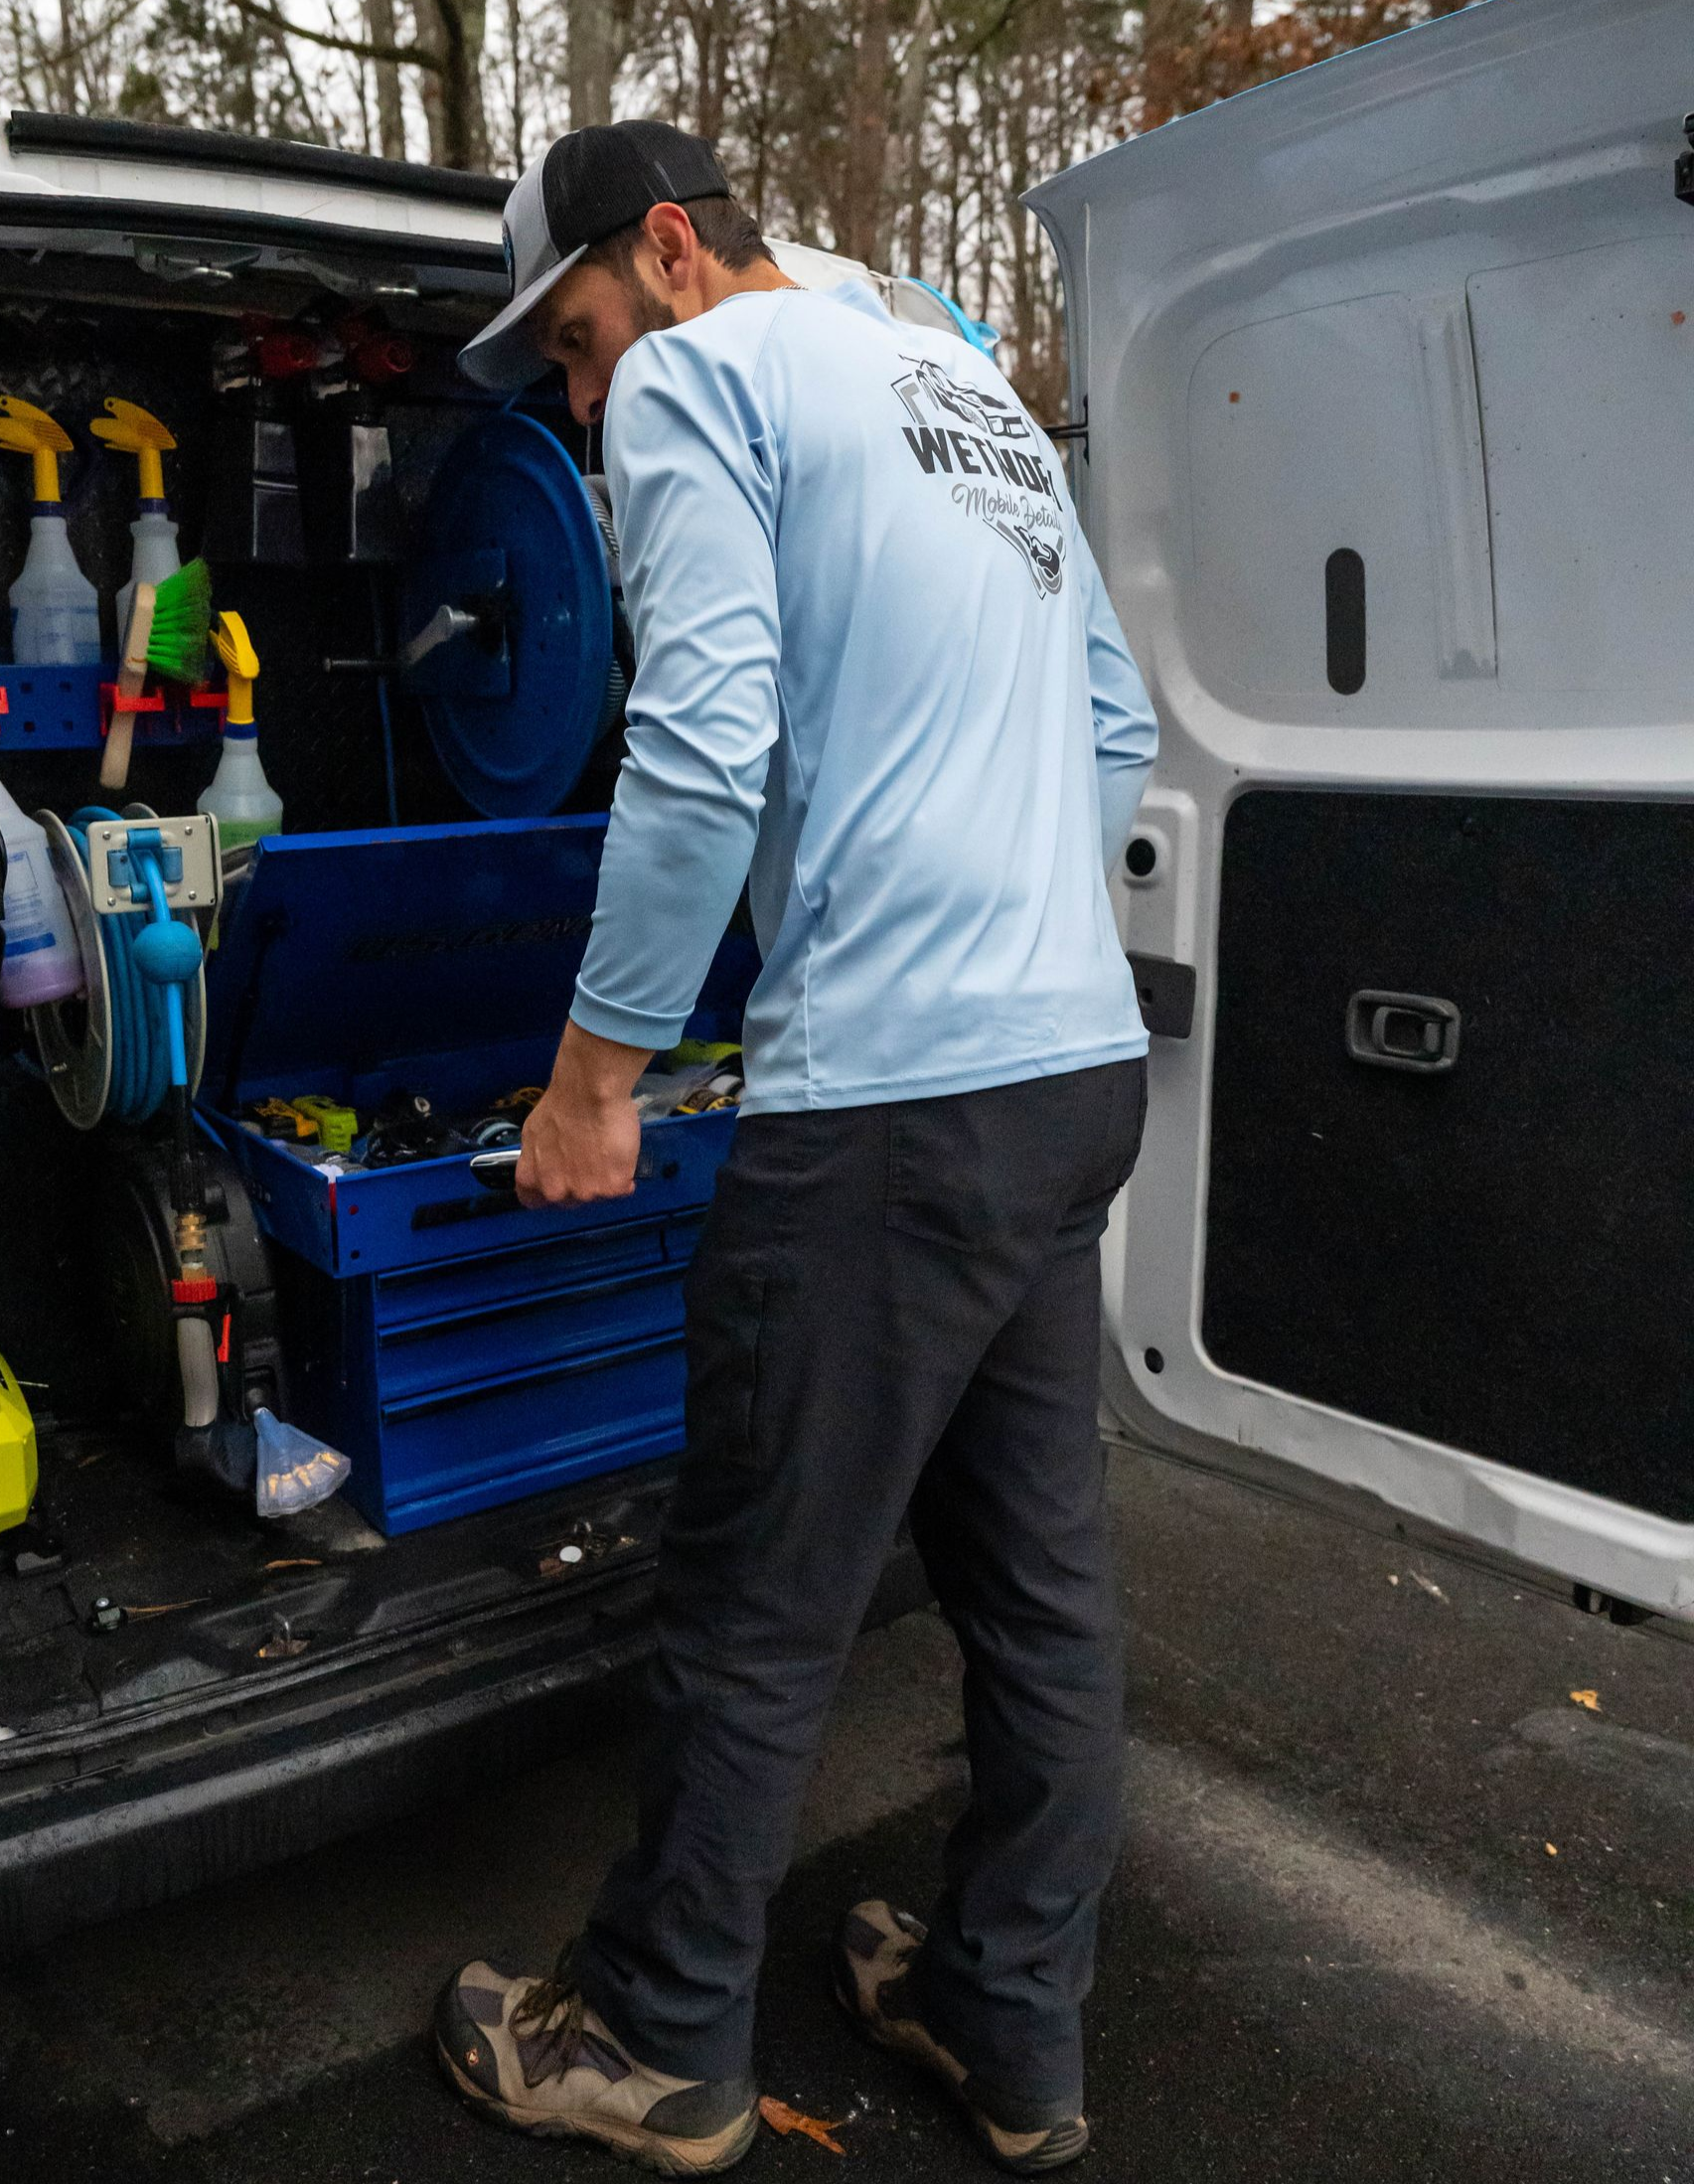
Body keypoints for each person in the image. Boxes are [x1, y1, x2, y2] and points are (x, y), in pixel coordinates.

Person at [436, 118, 1157, 2178]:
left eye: (571, 346)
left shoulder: (702, 373)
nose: (579, 408)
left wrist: (595, 1080)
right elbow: (1113, 720)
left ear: (666, 254)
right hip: (1068, 1071)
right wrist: (997, 911)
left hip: (893, 1114)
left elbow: (697, 745)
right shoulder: (948, 366)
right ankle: (1007, 2027)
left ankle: (659, 2041)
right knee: (1042, 1593)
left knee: (759, 1607)